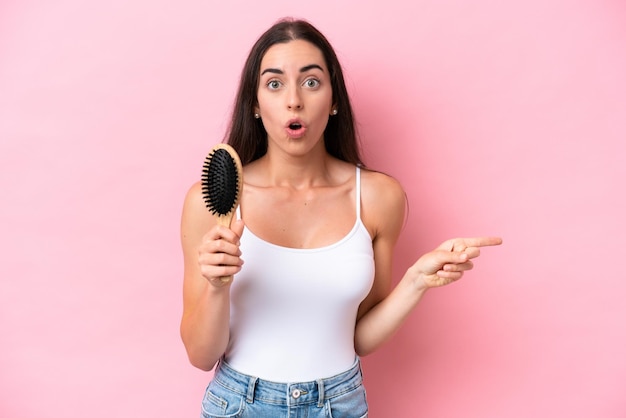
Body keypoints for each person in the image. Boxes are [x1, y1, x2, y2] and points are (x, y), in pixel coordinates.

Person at [180, 17, 502, 418]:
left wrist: (417, 280)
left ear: (334, 100)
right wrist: (216, 285)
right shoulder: (214, 205)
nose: (294, 100)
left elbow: (360, 337)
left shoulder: (378, 198)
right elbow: (200, 355)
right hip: (240, 404)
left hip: (339, 404)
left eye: (311, 81)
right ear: (256, 105)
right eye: (274, 83)